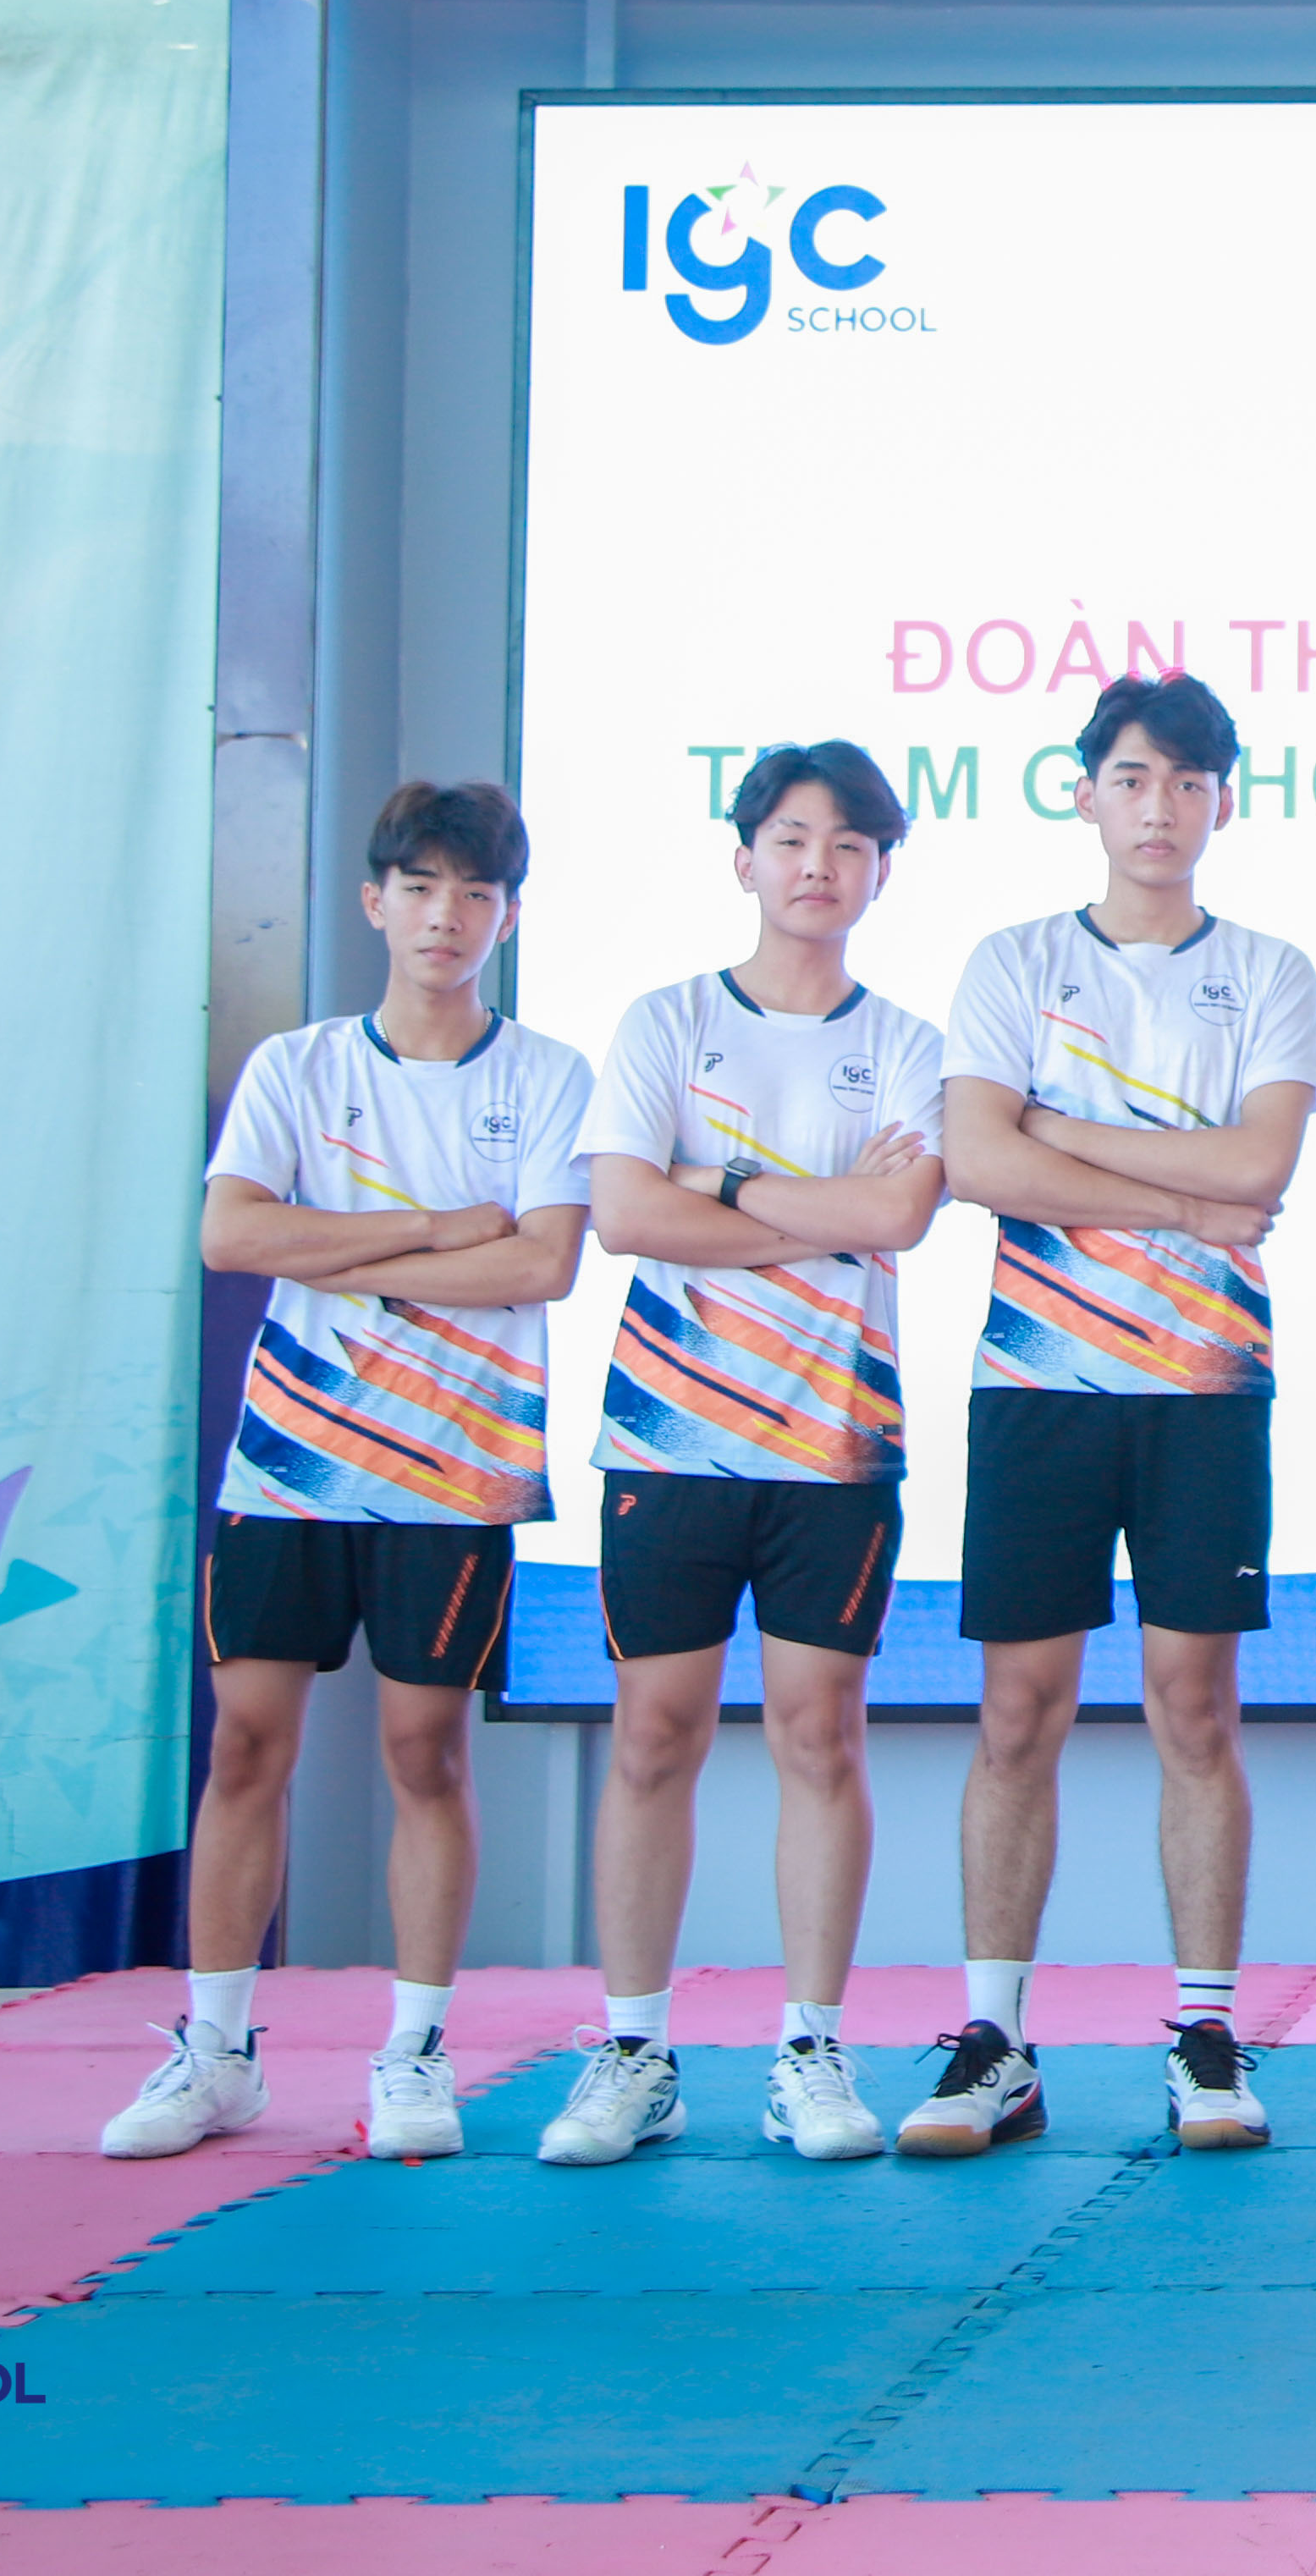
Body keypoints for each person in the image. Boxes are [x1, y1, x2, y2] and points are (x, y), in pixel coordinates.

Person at [109, 780, 591, 2165]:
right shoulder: (298, 1067)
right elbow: (232, 1238)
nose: (448, 916)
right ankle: (216, 2054)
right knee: (246, 1746)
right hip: (289, 1468)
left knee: (422, 1752)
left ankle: (415, 2053)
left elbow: (540, 1264)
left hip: (454, 1472)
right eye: (422, 887)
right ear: (376, 901)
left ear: (506, 917)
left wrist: (339, 1242)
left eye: (476, 893)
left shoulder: (545, 1077)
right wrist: (436, 1229)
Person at [922, 674, 1316, 2155]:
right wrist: (1178, 1191)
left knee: (1194, 1709)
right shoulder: (1013, 961)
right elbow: (980, 1162)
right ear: (1086, 790)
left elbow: (1259, 1168)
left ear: (1222, 800)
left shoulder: (1270, 971)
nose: (1161, 808)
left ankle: (1205, 2036)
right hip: (1038, 1386)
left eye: (1189, 783)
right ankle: (994, 2040)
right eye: (1135, 778)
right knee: (1015, 1713)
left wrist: (1059, 1131)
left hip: (1204, 1388)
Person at [542, 740, 947, 2171]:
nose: (817, 867)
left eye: (847, 845)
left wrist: (714, 1179)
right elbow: (627, 1217)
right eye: (791, 839)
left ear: (880, 871)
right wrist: (810, 1206)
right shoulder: (666, 1022)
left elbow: (897, 1219)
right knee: (653, 1734)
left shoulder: (907, 1044)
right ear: (744, 858)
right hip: (670, 1437)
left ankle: (811, 2051)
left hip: (835, 1442)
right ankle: (633, 2052)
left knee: (817, 1737)